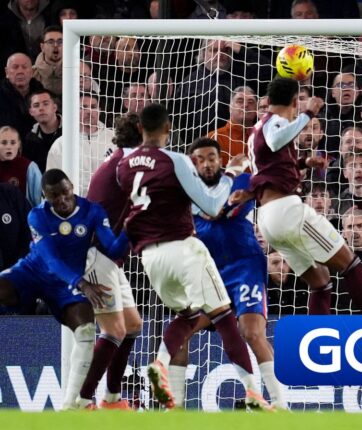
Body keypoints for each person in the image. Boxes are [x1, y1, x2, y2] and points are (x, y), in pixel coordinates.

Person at [115, 103, 272, 411]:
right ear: (168, 129)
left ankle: (161, 369)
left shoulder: (124, 165)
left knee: (187, 317)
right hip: (184, 251)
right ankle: (254, 393)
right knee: (225, 317)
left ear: (139, 129)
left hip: (151, 259)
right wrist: (231, 173)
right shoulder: (175, 161)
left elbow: (128, 215)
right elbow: (213, 205)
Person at [231, 77, 362, 317]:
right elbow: (276, 140)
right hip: (287, 212)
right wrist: (309, 113)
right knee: (350, 263)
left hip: (269, 219)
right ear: (295, 101)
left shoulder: (257, 130)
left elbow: (269, 168)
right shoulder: (276, 122)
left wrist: (304, 162)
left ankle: (317, 336)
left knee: (321, 281)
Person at [170, 137, 285, 409]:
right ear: (192, 164)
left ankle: (281, 406)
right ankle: (175, 411)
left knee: (252, 332)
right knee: (178, 335)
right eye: (200, 160)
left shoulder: (240, 182)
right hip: (208, 272)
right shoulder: (184, 194)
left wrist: (239, 169)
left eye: (212, 158)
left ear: (220, 160)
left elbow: (217, 211)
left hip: (245, 267)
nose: (207, 164)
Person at [0, 169, 129, 409]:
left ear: (72, 187)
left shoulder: (92, 211)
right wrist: (83, 284)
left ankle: (71, 406)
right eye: (54, 196)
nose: (62, 199)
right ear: (45, 196)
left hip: (65, 286)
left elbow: (113, 250)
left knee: (86, 331)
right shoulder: (37, 216)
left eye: (65, 192)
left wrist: (128, 232)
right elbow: (51, 260)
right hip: (34, 272)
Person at [80, 113, 144, 409]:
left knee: (131, 325)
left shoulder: (121, 159)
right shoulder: (128, 164)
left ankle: (112, 399)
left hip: (109, 257)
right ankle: (82, 401)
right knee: (114, 330)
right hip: (94, 255)